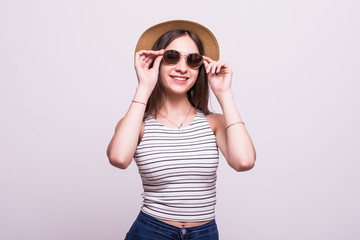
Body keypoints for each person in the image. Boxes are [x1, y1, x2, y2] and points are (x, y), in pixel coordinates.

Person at [107, 20, 256, 240]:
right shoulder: (137, 124)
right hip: (151, 232)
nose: (182, 68)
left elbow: (244, 162)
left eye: (193, 60)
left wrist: (224, 94)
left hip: (204, 234)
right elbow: (119, 158)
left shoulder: (214, 123)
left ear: (200, 68)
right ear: (156, 61)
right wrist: (144, 86)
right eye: (171, 57)